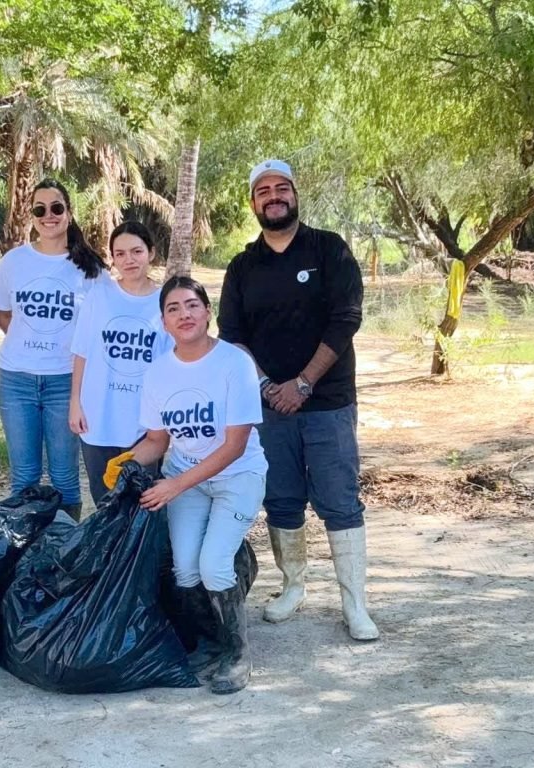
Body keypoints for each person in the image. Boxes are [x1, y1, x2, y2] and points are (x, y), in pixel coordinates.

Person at [217, 158, 379, 641]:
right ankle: (292, 587)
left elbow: (346, 318)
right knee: (282, 499)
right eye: (263, 190)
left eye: (281, 187)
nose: (274, 196)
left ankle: (354, 604)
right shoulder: (242, 266)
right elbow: (232, 335)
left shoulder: (329, 249)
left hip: (328, 402)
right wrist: (268, 387)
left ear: (295, 194)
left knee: (340, 501)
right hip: (268, 407)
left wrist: (304, 383)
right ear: (253, 202)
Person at [105, 275, 267, 695]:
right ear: (163, 322)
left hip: (237, 475)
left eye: (192, 305)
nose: (184, 315)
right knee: (185, 569)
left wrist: (174, 485)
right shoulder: (158, 372)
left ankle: (238, 654)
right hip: (186, 477)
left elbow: (234, 446)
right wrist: (125, 463)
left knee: (214, 565)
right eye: (173, 309)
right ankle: (212, 642)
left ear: (208, 312)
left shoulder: (234, 363)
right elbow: (157, 440)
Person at [0, 179, 110, 520]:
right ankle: (24, 547)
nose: (48, 216)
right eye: (39, 210)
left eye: (56, 208)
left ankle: (63, 546)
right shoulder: (14, 261)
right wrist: (29, 340)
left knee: (64, 477)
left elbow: (104, 324)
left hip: (66, 381)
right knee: (24, 477)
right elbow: (2, 312)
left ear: (69, 212)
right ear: (32, 216)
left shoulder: (91, 268)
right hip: (16, 379)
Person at [68, 221, 173, 504]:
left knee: (142, 502)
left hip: (143, 424)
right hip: (98, 416)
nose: (129, 260)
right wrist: (75, 402)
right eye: (120, 253)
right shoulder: (99, 296)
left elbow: (171, 364)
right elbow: (82, 352)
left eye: (137, 251)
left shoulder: (165, 301)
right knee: (104, 501)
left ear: (151, 253)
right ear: (113, 258)